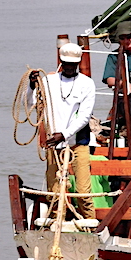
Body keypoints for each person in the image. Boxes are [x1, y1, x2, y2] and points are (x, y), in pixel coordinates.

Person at [32, 41, 96, 220]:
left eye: (73, 64)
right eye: (66, 63)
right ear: (61, 62)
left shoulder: (87, 84)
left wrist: (65, 135)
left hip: (78, 144)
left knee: (83, 191)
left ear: (78, 63)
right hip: (54, 144)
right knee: (54, 192)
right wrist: (31, 87)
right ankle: (56, 223)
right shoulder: (48, 81)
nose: (69, 67)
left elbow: (84, 116)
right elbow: (32, 105)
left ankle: (90, 225)